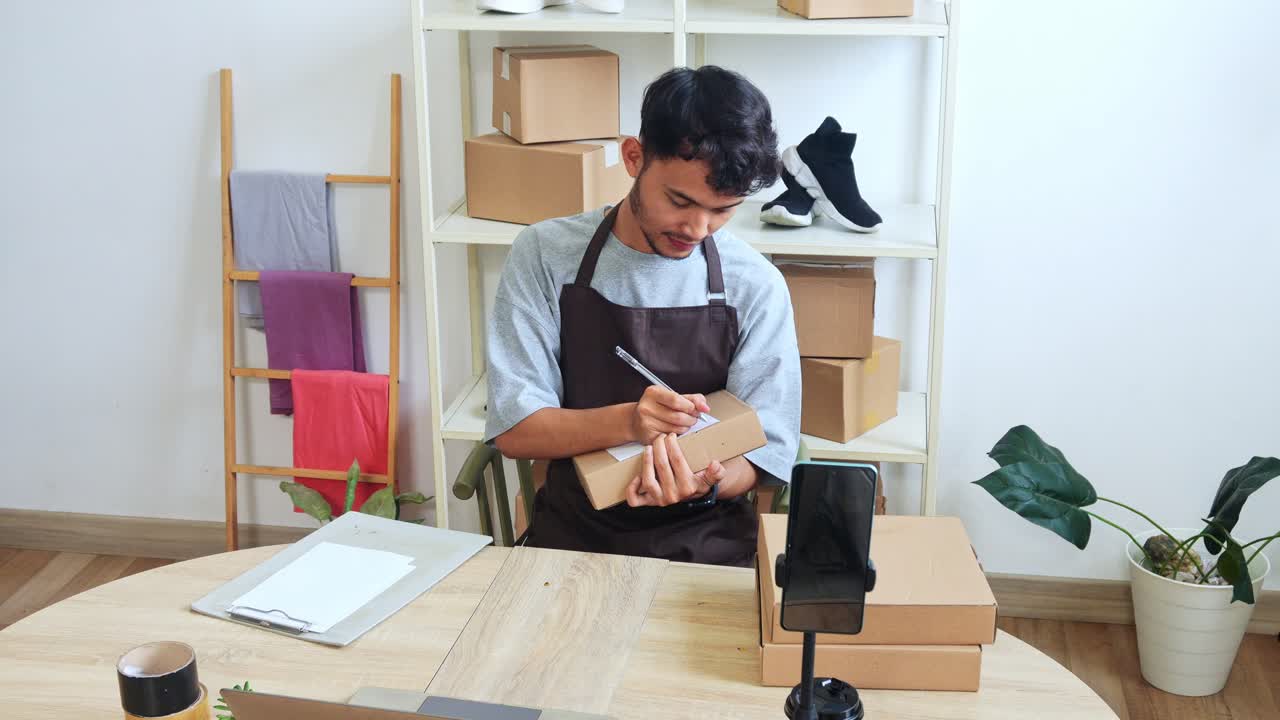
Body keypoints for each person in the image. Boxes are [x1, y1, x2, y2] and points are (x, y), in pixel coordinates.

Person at [483, 65, 800, 567]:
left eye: (723, 210)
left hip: (709, 543)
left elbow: (767, 453)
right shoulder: (546, 255)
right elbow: (516, 429)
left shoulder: (755, 284)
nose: (697, 228)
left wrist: (706, 481)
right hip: (573, 539)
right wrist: (631, 421)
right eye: (680, 200)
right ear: (634, 157)